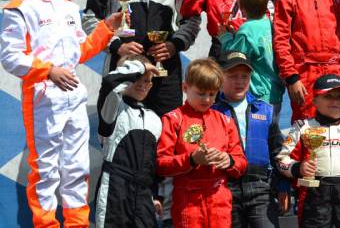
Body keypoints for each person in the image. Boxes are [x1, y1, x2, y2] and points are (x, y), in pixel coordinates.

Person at [0, 0, 122, 227]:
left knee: (77, 167)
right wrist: (48, 71)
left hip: (73, 95)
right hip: (43, 98)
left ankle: (77, 224)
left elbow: (80, 51)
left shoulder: (67, 6)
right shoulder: (19, 8)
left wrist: (107, 28)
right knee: (46, 170)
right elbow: (10, 57)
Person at [276, 74, 340, 228]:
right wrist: (298, 168)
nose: (335, 101)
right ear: (315, 100)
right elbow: (281, 161)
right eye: (328, 96)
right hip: (314, 194)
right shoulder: (302, 128)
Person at [156, 58, 247, 228]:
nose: (206, 99)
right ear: (185, 88)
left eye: (212, 94)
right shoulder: (173, 119)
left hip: (219, 200)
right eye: (201, 93)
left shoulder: (225, 121)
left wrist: (229, 161)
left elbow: (241, 163)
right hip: (187, 202)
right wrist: (191, 159)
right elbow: (161, 164)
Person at [212, 51, 288, 228]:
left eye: (244, 76)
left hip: (260, 187)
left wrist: (283, 185)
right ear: (220, 78)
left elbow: (278, 152)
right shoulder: (211, 111)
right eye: (233, 76)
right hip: (224, 187)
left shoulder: (265, 110)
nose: (239, 81)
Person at [94, 55, 162, 228]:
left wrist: (155, 196)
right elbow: (110, 83)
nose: (142, 84)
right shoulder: (113, 108)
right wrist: (140, 67)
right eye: (137, 78)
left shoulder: (155, 119)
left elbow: (154, 163)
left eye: (146, 80)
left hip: (144, 195)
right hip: (115, 189)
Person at [218, 0, 284, 117]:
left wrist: (225, 37)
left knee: (255, 128)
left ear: (241, 7)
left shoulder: (246, 30)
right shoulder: (270, 24)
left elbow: (235, 57)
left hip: (257, 95)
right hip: (275, 91)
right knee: (272, 127)